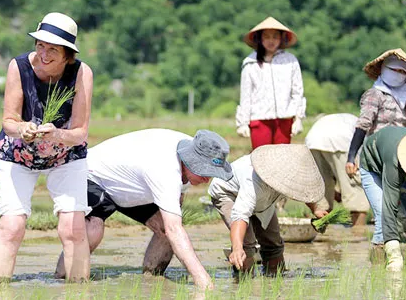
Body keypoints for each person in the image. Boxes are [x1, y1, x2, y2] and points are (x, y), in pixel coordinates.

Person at [53, 129, 233, 290]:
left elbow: (171, 218)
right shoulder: (166, 169)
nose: (206, 180)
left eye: (211, 174)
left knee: (163, 228)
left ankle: (151, 279)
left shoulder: (197, 151)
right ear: (190, 162)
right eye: (204, 173)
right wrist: (203, 280)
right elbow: (175, 230)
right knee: (93, 229)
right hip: (92, 175)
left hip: (134, 187)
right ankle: (64, 280)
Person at [0, 12, 94, 283]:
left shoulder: (81, 73)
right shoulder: (19, 67)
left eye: (53, 50)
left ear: (67, 54)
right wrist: (23, 128)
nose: (44, 54)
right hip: (18, 153)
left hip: (64, 153)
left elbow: (80, 133)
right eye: (40, 46)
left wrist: (57, 133)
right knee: (12, 226)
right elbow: (9, 121)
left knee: (73, 229)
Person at [208, 144, 324, 276]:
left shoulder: (286, 177)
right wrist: (237, 248)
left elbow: (303, 190)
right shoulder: (254, 181)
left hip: (263, 201)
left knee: (273, 242)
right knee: (247, 243)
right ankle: (244, 285)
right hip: (229, 194)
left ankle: (275, 277)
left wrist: (316, 209)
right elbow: (240, 215)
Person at [347, 49, 406, 251]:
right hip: (373, 161)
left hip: (400, 159)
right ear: (383, 69)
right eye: (394, 70)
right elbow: (363, 125)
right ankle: (380, 267)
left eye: (403, 72)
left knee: (403, 217)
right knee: (384, 214)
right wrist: (351, 156)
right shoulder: (375, 94)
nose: (399, 74)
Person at [235, 17, 306, 150]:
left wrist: (298, 118)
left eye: (275, 36)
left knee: (282, 159)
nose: (271, 41)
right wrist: (242, 123)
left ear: (281, 38)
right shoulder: (250, 63)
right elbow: (246, 96)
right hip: (259, 120)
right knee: (261, 160)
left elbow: (297, 91)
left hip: (285, 119)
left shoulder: (290, 61)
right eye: (266, 37)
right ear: (259, 39)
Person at [304, 113, 370, 228]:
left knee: (321, 189)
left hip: (313, 139)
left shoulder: (349, 120)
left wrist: (335, 191)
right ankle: (358, 234)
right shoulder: (365, 128)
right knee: (356, 189)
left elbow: (330, 173)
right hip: (342, 141)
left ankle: (322, 233)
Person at [358, 126, 406, 272]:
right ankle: (379, 266)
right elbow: (390, 206)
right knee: (382, 213)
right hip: (372, 165)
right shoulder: (394, 162)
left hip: (395, 155)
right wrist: (395, 254)